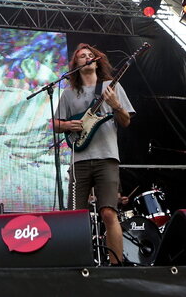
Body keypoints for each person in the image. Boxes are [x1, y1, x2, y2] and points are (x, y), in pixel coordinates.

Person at [53, 43, 135, 266]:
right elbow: (54, 123)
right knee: (74, 216)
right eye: (82, 56)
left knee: (108, 212)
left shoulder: (111, 86)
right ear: (76, 64)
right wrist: (69, 124)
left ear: (98, 62)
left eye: (91, 55)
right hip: (79, 160)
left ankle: (116, 264)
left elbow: (126, 121)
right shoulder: (69, 93)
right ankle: (78, 263)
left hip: (107, 157)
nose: (87, 58)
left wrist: (116, 104)